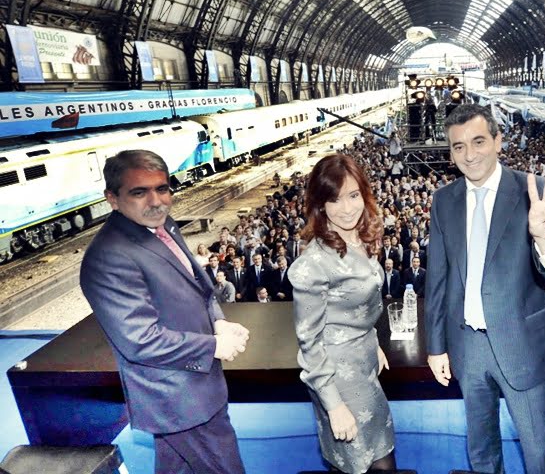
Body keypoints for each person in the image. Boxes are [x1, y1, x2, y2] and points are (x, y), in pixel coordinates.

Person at [425, 103, 545, 474]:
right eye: (458, 146)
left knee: (536, 448)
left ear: (498, 141)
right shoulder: (443, 201)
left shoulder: (535, 193)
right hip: (468, 346)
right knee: (481, 448)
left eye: (479, 141)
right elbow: (438, 278)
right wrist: (436, 347)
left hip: (523, 342)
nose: (469, 154)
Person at [79, 149, 249, 474]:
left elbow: (198, 285)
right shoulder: (108, 257)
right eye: (139, 192)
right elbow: (140, 340)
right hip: (176, 397)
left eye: (162, 188)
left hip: (196, 386)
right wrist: (214, 345)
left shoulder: (161, 225)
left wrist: (219, 323)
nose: (156, 201)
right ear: (112, 198)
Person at [289, 154, 396, 473]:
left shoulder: (360, 239)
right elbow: (309, 342)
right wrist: (333, 406)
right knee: (362, 462)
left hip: (364, 366)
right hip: (335, 376)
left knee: (378, 451)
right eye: (334, 200)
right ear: (320, 205)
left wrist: (372, 340)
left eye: (353, 195)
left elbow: (357, 307)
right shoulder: (312, 266)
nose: (347, 208)